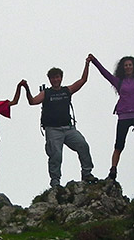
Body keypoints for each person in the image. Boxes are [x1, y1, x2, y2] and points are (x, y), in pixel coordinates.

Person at [23, 57, 97, 187]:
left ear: (61, 78)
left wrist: (87, 64)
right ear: (50, 80)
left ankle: (87, 173)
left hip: (68, 128)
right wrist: (26, 88)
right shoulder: (46, 93)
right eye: (53, 78)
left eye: (57, 77)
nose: (55, 80)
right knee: (55, 155)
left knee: (83, 145)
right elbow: (32, 101)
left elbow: (83, 80)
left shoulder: (66, 90)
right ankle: (55, 181)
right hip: (52, 129)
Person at [89, 46, 134, 180]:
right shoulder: (118, 82)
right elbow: (105, 74)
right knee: (119, 144)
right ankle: (113, 171)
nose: (128, 67)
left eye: (130, 65)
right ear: (123, 67)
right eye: (126, 65)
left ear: (133, 67)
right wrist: (95, 61)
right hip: (123, 116)